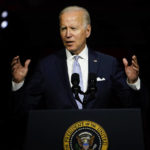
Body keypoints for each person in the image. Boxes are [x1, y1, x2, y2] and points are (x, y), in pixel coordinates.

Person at [10, 5, 149, 150]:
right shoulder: (46, 66)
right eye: (63, 28)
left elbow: (134, 107)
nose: (67, 34)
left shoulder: (108, 63)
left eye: (73, 28)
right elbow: (23, 112)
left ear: (87, 31)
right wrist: (18, 84)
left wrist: (133, 83)